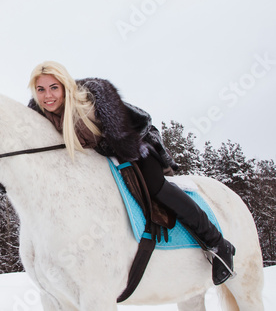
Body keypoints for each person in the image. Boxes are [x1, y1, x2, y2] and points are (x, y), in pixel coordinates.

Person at [27, 61, 235, 285]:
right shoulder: (37, 115)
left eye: (54, 87)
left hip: (136, 145)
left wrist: (120, 151)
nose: (48, 95)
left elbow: (131, 131)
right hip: (99, 158)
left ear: (65, 86)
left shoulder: (90, 103)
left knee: (156, 189)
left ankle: (217, 242)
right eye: (41, 89)